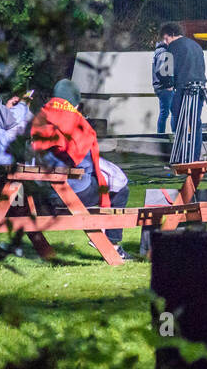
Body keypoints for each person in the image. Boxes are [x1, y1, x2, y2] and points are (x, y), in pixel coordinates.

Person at [29, 79, 131, 260]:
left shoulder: (40, 118)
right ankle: (112, 243)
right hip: (69, 192)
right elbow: (89, 164)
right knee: (120, 188)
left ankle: (103, 234)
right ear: (74, 103)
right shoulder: (77, 124)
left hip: (41, 194)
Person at [160, 22, 206, 161]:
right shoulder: (196, 46)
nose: (166, 42)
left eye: (166, 38)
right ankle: (195, 157)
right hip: (199, 87)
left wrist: (168, 85)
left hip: (183, 88)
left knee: (180, 121)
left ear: (171, 35)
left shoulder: (172, 47)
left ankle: (180, 157)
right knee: (196, 122)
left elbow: (166, 72)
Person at [151, 37, 175, 135]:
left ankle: (161, 135)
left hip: (160, 87)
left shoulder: (159, 50)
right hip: (164, 87)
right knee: (171, 112)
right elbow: (161, 71)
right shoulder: (164, 51)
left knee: (165, 112)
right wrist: (168, 84)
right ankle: (173, 134)